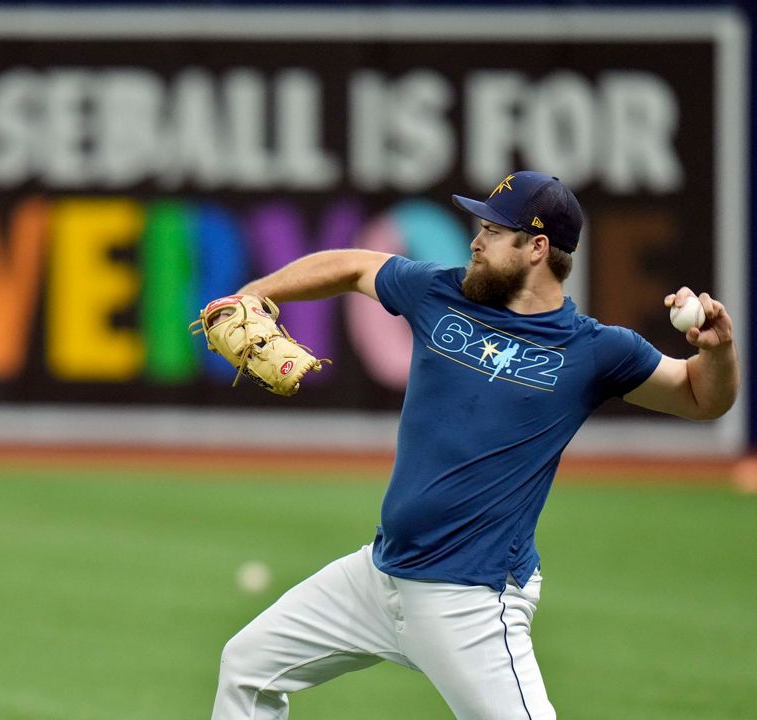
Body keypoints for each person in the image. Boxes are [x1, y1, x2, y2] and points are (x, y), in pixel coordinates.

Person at [208, 171, 739, 720]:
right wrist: (252, 295)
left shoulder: (595, 350)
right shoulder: (440, 292)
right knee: (246, 665)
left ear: (536, 248)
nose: (475, 241)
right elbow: (354, 265)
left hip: (470, 601)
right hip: (378, 577)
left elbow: (703, 398)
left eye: (492, 230)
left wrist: (718, 351)